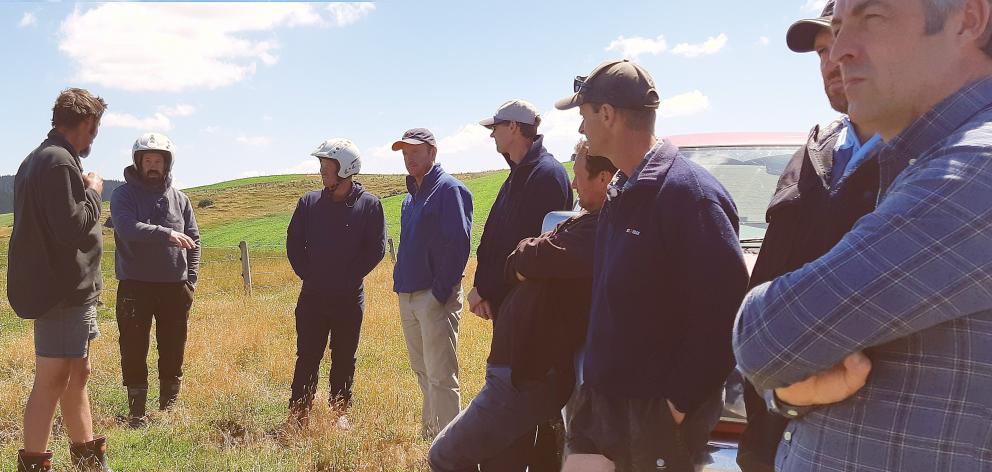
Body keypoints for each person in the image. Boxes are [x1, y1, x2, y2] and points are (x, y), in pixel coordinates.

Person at [734, 0, 992, 470]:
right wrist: (792, 393)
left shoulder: (973, 169)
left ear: (969, 18)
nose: (839, 53)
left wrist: (785, 358)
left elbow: (765, 337)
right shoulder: (904, 158)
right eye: (836, 30)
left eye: (872, 17)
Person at [555, 60, 750, 471]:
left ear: (606, 114)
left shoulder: (689, 196)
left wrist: (673, 409)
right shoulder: (621, 190)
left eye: (584, 115)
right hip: (602, 405)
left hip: (652, 419)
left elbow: (726, 318)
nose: (580, 129)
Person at [735, 2, 882, 470]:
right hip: (774, 429)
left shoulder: (932, 159)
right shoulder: (816, 149)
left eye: (842, 43)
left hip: (864, 438)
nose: (832, 60)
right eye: (822, 50)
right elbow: (768, 277)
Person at [428, 139, 614, 471]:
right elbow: (521, 255)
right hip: (519, 370)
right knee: (501, 463)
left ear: (604, 179)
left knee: (444, 454)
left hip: (527, 376)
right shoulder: (586, 222)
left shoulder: (599, 230)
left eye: (580, 175)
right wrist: (530, 254)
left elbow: (527, 255)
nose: (573, 183)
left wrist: (531, 254)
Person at [9, 88, 111, 471]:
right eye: (94, 130)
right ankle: (34, 462)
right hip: (62, 291)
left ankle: (87, 458)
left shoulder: (37, 160)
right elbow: (71, 228)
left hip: (63, 289)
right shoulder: (58, 162)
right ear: (87, 124)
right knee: (53, 377)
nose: (93, 139)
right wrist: (94, 192)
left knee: (75, 371)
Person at [286, 138, 386, 429]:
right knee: (307, 355)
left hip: (348, 298)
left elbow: (375, 250)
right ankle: (299, 412)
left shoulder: (369, 205)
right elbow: (294, 244)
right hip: (313, 296)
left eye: (326, 165)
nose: (321, 170)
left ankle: (339, 412)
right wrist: (310, 276)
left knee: (344, 357)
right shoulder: (308, 203)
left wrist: (347, 278)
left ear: (345, 168)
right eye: (321, 164)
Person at [110, 132, 201, 427]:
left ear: (167, 164)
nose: (152, 165)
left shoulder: (181, 199)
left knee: (173, 347)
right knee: (134, 348)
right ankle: (136, 411)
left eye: (158, 160)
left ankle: (168, 409)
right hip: (135, 286)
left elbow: (195, 239)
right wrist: (166, 233)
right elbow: (127, 228)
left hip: (175, 287)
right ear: (138, 163)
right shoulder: (124, 195)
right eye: (147, 160)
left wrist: (191, 279)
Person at [391, 128, 473, 439]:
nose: (409, 158)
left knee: (441, 375)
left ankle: (451, 443)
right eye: (405, 154)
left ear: (432, 153)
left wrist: (439, 294)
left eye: (415, 152)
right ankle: (431, 435)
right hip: (409, 295)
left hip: (434, 296)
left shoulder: (450, 190)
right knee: (423, 370)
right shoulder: (409, 198)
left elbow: (459, 246)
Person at [467, 99, 573, 320]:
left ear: (513, 127)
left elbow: (530, 248)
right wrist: (482, 287)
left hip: (531, 310)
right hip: (508, 303)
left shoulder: (547, 175)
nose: (491, 135)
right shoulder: (518, 174)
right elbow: (493, 237)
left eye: (495, 128)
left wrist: (485, 289)